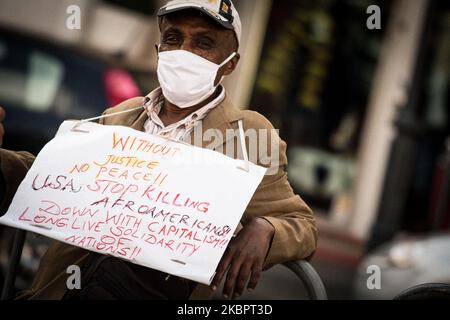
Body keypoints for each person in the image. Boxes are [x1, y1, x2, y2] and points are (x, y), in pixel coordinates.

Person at [0, 0, 317, 300]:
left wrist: (267, 229)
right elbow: (53, 176)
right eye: (173, 38)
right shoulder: (121, 114)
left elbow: (301, 223)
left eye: (203, 43)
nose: (184, 52)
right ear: (158, 50)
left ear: (230, 63)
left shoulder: (248, 135)